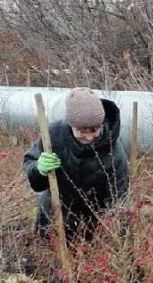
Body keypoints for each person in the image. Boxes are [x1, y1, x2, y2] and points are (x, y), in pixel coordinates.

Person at [23, 88, 129, 243]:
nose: (89, 137)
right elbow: (33, 172)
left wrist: (110, 230)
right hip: (55, 209)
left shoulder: (114, 154)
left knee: (86, 255)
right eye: (81, 131)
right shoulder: (54, 135)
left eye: (94, 130)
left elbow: (119, 200)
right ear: (71, 125)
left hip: (93, 217)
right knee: (48, 252)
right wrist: (39, 169)